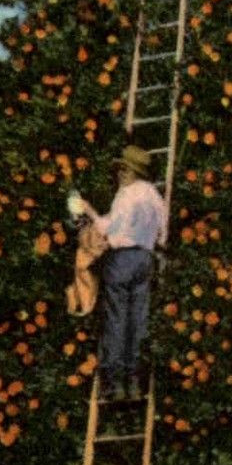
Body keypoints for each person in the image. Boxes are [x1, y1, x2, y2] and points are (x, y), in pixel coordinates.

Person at [76, 144, 167, 402]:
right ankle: (134, 381)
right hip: (145, 259)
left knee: (116, 318)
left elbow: (109, 228)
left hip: (123, 259)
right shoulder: (153, 195)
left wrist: (89, 211)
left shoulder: (126, 195)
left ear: (129, 171)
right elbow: (163, 230)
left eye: (122, 170)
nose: (119, 175)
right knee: (137, 320)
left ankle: (114, 384)